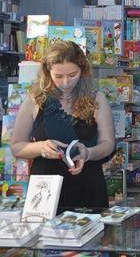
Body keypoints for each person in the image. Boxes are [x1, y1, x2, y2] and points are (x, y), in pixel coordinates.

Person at [11, 40, 115, 211]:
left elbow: (108, 143)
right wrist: (41, 148)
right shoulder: (34, 101)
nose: (66, 82)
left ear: (82, 70)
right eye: (58, 76)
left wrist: (88, 153)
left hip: (88, 187)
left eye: (72, 75)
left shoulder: (96, 99)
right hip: (44, 191)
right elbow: (16, 147)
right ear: (47, 72)